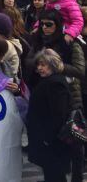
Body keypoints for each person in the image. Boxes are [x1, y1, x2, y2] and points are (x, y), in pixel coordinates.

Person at [27, 49, 72, 182]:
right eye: (38, 65)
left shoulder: (55, 84)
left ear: (52, 65)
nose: (39, 68)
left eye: (43, 65)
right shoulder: (49, 81)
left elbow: (59, 114)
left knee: (55, 173)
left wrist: (48, 138)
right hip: (48, 139)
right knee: (52, 172)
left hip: (52, 140)